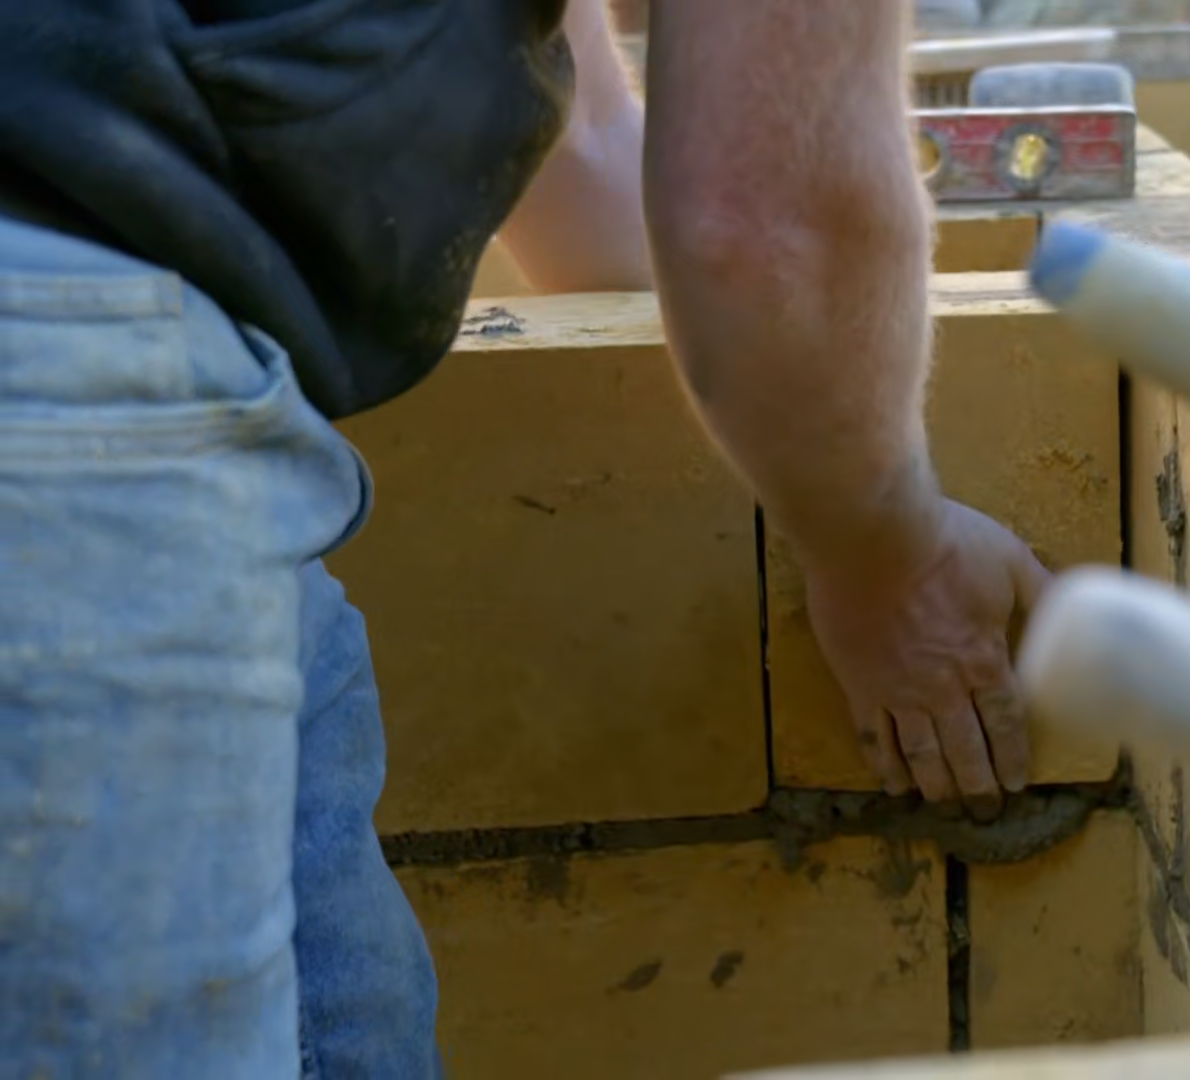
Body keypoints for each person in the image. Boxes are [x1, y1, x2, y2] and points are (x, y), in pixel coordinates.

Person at [0, 1, 1052, 1075]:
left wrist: (797, 440)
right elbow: (770, 215)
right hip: (74, 408)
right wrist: (890, 558)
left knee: (354, 1032)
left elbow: (584, 156)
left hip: (177, 417)